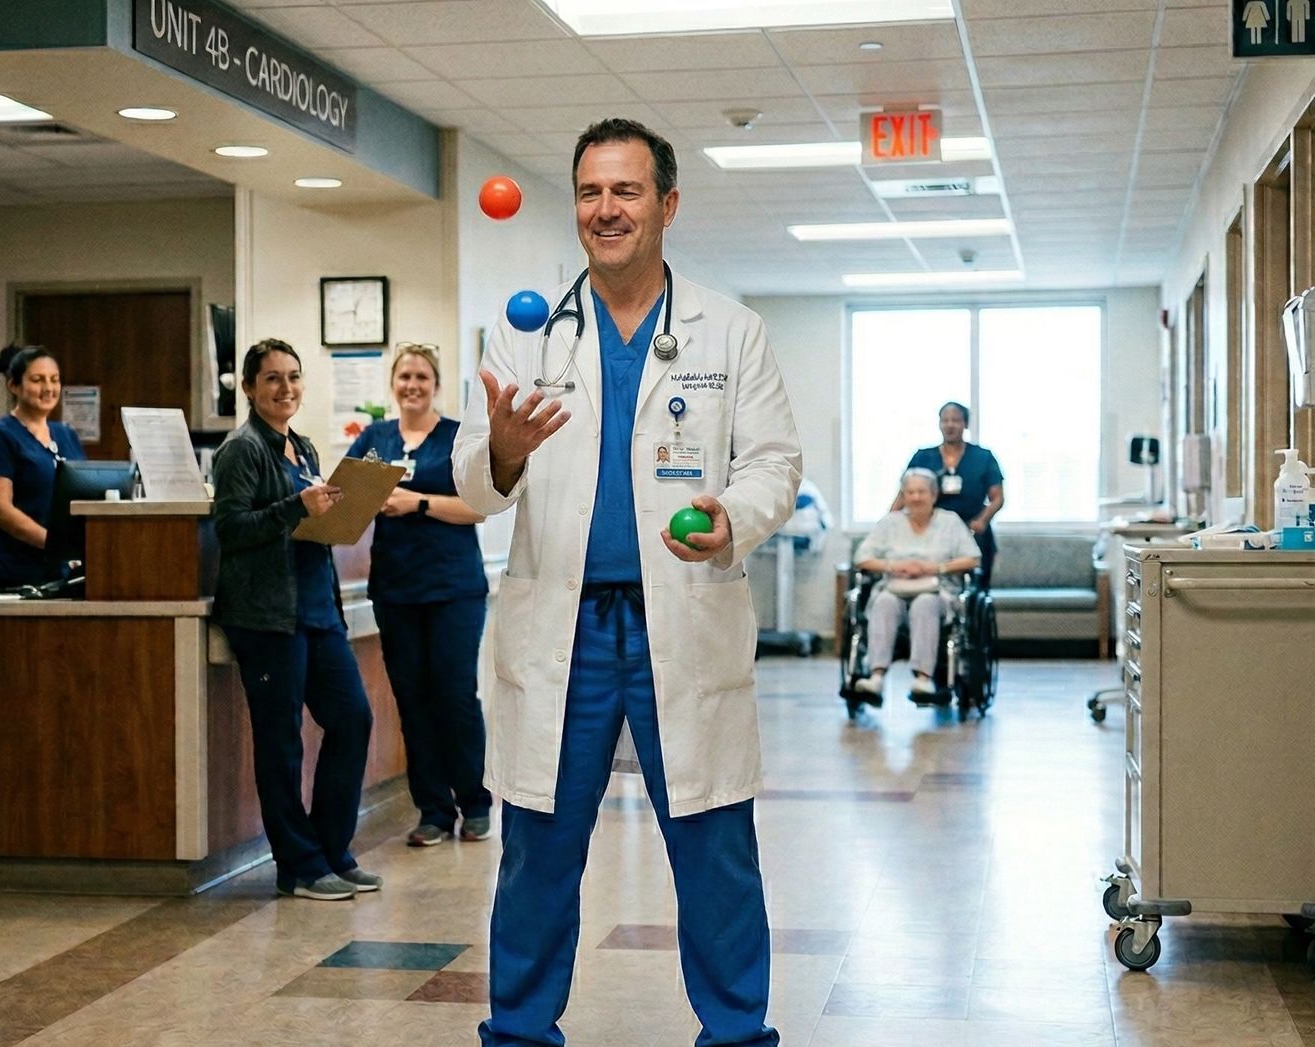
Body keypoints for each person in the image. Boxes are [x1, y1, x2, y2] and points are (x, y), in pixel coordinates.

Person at [453, 117, 800, 1047]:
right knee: (537, 851)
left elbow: (774, 462)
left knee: (715, 847)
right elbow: (469, 479)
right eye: (591, 192)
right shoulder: (525, 333)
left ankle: (736, 1033)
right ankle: (520, 1032)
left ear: (668, 205)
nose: (606, 210)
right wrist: (506, 451)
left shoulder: (730, 330)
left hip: (678, 623)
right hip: (562, 628)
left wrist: (734, 514)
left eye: (627, 191)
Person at [211, 338, 380, 902]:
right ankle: (299, 866)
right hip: (267, 618)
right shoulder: (242, 450)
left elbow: (309, 521)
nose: (285, 389)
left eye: (293, 378)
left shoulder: (301, 447)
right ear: (252, 388)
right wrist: (295, 509)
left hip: (315, 610)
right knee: (282, 742)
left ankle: (331, 850)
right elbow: (231, 529)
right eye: (272, 379)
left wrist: (348, 504)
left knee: (352, 719)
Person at [345, 343, 494, 848]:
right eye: (404, 376)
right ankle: (432, 810)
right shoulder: (374, 439)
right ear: (394, 383)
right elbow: (346, 502)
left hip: (453, 590)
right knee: (412, 699)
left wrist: (418, 502)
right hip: (396, 589)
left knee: (454, 695)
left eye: (422, 377)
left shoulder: (457, 438)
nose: (412, 385)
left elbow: (479, 508)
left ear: (436, 384)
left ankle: (474, 803)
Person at [853, 468, 981, 705]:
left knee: (925, 603)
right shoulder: (890, 523)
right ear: (903, 495)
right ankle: (876, 676)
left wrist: (934, 568)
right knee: (883, 602)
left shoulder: (950, 522)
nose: (916, 497)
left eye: (922, 491)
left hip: (938, 591)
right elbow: (861, 558)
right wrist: (893, 566)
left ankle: (923, 678)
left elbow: (973, 558)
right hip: (894, 587)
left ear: (934, 494)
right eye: (910, 492)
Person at [0, 345, 85, 590]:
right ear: (13, 385)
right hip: (15, 573)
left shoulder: (65, 434)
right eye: (37, 380)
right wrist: (56, 544)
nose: (48, 388)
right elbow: (0, 511)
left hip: (63, 571)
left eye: (54, 380)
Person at [902, 401, 1004, 587]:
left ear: (965, 424)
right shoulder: (923, 457)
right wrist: (890, 520)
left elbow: (997, 497)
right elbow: (904, 494)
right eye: (945, 420)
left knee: (975, 584)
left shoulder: (983, 457)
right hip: (933, 530)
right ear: (939, 424)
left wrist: (982, 520)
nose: (950, 425)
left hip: (972, 528)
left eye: (955, 420)